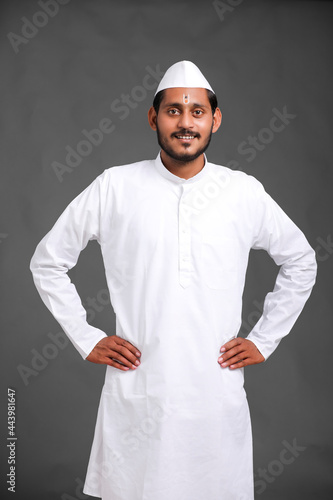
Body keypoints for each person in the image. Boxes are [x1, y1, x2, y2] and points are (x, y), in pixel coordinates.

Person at [30, 61, 317, 500]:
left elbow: (301, 260)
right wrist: (85, 337)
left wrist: (265, 338)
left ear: (215, 119)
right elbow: (47, 262)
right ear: (153, 117)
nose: (186, 122)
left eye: (197, 111)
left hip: (214, 398)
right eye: (173, 111)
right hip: (140, 392)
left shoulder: (242, 192)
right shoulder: (116, 187)